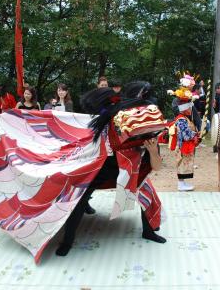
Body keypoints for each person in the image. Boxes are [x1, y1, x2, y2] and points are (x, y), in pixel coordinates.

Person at [55, 84, 166, 257]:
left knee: (148, 193)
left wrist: (152, 151)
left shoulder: (149, 131)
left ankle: (149, 231)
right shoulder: (110, 122)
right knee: (80, 195)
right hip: (106, 168)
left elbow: (157, 167)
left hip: (133, 171)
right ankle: (67, 240)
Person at [169, 94, 199, 192]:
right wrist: (194, 135)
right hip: (182, 145)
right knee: (182, 164)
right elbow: (185, 134)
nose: (191, 110)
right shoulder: (181, 119)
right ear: (184, 109)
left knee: (185, 164)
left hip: (183, 145)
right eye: (189, 108)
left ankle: (183, 182)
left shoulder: (183, 118)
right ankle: (181, 184)